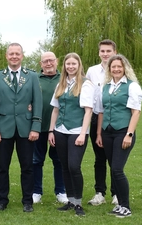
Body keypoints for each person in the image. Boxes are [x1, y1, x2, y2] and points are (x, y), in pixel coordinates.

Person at [0, 43, 42, 213]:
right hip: (3, 129)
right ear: (6, 56)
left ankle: (27, 201)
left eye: (17, 54)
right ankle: (2, 200)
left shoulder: (32, 76)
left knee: (27, 167)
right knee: (2, 167)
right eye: (11, 54)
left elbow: (37, 102)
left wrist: (35, 127)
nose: (14, 56)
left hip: (26, 129)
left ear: (22, 55)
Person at [95, 54, 142, 218]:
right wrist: (99, 133)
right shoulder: (106, 86)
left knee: (117, 169)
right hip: (107, 132)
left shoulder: (132, 86)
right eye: (113, 67)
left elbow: (136, 112)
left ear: (125, 68)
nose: (116, 69)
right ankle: (120, 205)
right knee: (113, 169)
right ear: (109, 69)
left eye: (119, 67)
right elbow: (101, 112)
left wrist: (129, 134)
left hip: (123, 131)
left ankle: (126, 207)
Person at [48, 53, 94, 216]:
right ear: (64, 66)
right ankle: (70, 200)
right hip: (60, 130)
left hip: (76, 131)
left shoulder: (86, 84)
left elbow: (88, 111)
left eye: (74, 63)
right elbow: (55, 109)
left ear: (79, 65)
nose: (71, 66)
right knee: (65, 167)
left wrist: (83, 133)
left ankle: (79, 204)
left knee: (74, 166)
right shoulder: (61, 84)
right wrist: (51, 131)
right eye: (68, 64)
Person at [32, 52, 68, 204]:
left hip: (59, 127)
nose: (48, 64)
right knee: (36, 160)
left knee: (59, 160)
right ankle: (36, 191)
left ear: (57, 61)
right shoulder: (34, 79)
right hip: (38, 126)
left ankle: (61, 191)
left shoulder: (64, 78)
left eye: (51, 60)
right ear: (41, 64)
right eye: (45, 61)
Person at [86, 39, 118, 206]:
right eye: (103, 51)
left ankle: (116, 193)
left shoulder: (120, 69)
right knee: (100, 158)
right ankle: (100, 192)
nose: (105, 54)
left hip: (114, 120)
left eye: (108, 51)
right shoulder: (92, 71)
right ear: (99, 52)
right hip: (95, 118)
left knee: (115, 159)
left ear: (114, 52)